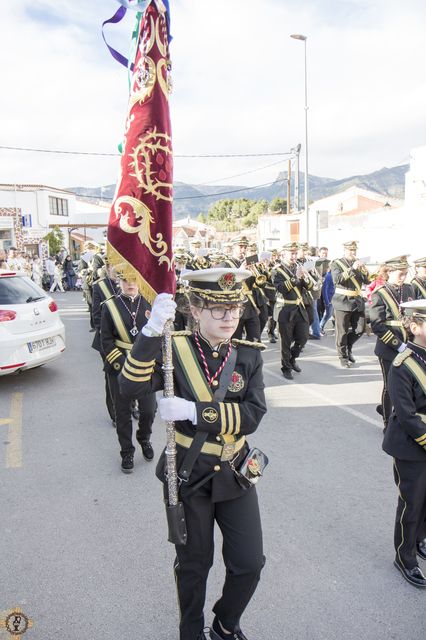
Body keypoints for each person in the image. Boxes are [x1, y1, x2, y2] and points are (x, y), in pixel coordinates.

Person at [119, 267, 267, 640]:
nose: (229, 317)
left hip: (235, 471)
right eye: (218, 309)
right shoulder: (173, 348)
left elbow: (253, 414)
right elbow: (128, 385)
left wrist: (194, 412)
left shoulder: (248, 356)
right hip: (188, 472)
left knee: (249, 562)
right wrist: (151, 332)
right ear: (195, 310)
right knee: (194, 565)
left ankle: (224, 623)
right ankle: (190, 631)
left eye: (234, 308)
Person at [382, 299, 426, 588]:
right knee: (412, 504)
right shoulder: (403, 364)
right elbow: (407, 415)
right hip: (412, 446)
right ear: (414, 325)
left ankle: (420, 540)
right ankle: (404, 555)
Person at [101, 271, 157, 472]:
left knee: (149, 409)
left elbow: (157, 336)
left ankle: (144, 438)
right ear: (119, 281)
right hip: (120, 366)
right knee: (123, 413)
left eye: (134, 280)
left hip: (145, 365)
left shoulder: (151, 303)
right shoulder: (110, 306)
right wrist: (122, 365)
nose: (130, 284)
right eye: (126, 280)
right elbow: (105, 341)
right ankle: (127, 452)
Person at [370, 256, 415, 431]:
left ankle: (402, 416)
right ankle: (387, 423)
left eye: (405, 274)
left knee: (409, 386)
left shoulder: (409, 289)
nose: (404, 277)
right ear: (389, 272)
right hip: (389, 348)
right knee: (390, 387)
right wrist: (398, 344)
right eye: (400, 274)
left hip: (409, 346)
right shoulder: (379, 294)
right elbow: (377, 325)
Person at [273, 242, 313, 380]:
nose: (294, 256)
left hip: (299, 308)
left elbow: (310, 287)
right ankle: (286, 367)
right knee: (286, 341)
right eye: (292, 253)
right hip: (285, 309)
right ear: (284, 253)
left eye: (296, 253)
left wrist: (306, 276)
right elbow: (281, 289)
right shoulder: (277, 270)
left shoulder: (299, 267)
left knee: (303, 337)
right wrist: (295, 277)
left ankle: (292, 358)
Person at [331, 240, 370, 367]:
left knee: (360, 329)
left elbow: (367, 281)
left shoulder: (358, 263)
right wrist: (352, 269)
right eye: (350, 250)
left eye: (354, 250)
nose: (353, 252)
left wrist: (365, 272)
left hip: (357, 301)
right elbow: (337, 280)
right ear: (345, 250)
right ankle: (343, 357)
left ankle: (348, 347)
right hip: (342, 300)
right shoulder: (336, 263)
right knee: (342, 331)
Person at [91, 261, 118, 426]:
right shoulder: (100, 287)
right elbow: (97, 318)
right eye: (114, 266)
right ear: (108, 268)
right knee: (112, 377)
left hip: (129, 340)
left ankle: (132, 406)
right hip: (107, 341)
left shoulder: (130, 282)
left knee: (131, 374)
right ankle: (115, 412)